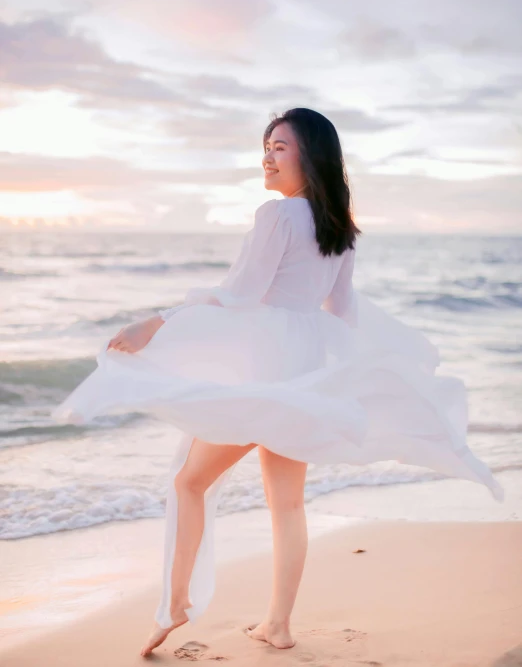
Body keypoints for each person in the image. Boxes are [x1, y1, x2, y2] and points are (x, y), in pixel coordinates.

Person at [52, 108, 504, 658]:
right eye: (265, 146)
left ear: (310, 155)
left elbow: (241, 296)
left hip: (263, 370)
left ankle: (175, 602)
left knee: (189, 483)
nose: (266, 156)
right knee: (287, 505)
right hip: (305, 371)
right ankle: (279, 625)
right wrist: (343, 373)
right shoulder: (341, 228)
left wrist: (161, 321)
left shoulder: (278, 216)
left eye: (280, 147)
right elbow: (339, 310)